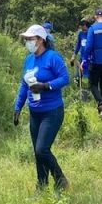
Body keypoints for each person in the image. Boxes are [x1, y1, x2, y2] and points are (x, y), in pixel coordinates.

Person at [13, 24, 70, 193]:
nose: (28, 42)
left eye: (30, 39)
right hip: (35, 113)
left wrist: (46, 86)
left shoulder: (53, 57)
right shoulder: (29, 60)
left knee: (42, 149)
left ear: (40, 40)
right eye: (26, 39)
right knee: (37, 153)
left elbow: (65, 78)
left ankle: (60, 180)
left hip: (52, 111)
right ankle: (41, 185)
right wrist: (18, 107)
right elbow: (24, 85)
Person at [70, 18, 92, 101]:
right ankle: (79, 91)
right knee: (78, 76)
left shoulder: (91, 34)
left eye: (84, 27)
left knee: (89, 77)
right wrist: (73, 56)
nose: (83, 29)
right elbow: (78, 45)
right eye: (81, 28)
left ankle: (89, 94)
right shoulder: (80, 34)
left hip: (90, 59)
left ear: (87, 27)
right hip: (82, 58)